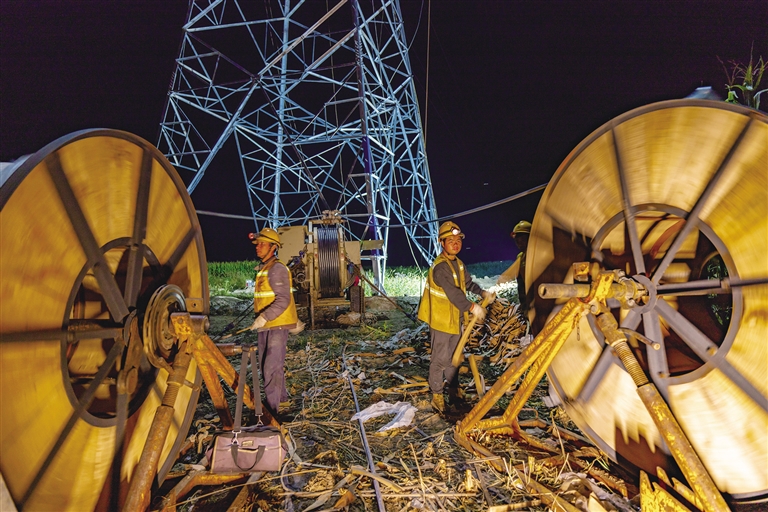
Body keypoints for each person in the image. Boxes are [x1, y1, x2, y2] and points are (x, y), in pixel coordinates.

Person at [417, 221, 492, 414]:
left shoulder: (458, 264)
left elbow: (466, 284)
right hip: (441, 321)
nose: (455, 243)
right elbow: (453, 293)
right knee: (440, 359)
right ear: (442, 243)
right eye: (450, 240)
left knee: (454, 358)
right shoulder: (441, 268)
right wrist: (472, 306)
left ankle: (453, 392)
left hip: (455, 320)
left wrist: (482, 292)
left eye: (458, 240)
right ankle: (437, 396)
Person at [249, 227, 298, 418]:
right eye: (257, 244)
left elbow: (283, 299)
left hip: (276, 324)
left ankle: (273, 413)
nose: (258, 247)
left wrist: (263, 317)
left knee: (271, 367)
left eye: (262, 244)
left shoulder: (277, 269)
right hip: (267, 325)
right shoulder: (265, 268)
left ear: (273, 247)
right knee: (267, 365)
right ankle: (282, 402)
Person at [497, 220, 531, 318]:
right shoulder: (521, 257)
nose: (519, 241)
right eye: (517, 238)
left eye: (522, 238)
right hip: (528, 306)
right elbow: (507, 277)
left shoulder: (537, 256)